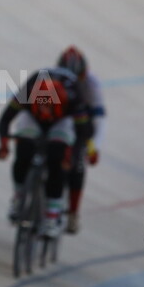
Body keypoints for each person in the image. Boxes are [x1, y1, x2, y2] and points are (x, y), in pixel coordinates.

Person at [0, 66, 94, 238]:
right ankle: (18, 198)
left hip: (63, 120)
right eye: (41, 107)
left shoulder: (75, 99)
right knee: (23, 150)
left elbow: (83, 134)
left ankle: (52, 216)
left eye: (48, 108)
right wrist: (4, 144)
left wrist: (70, 155)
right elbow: (5, 119)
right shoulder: (27, 91)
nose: (45, 113)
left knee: (57, 160)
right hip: (31, 118)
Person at [56, 46, 105, 234]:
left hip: (81, 123)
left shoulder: (92, 85)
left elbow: (99, 118)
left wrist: (95, 147)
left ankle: (72, 213)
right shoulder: (50, 78)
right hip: (58, 119)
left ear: (85, 74)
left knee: (77, 164)